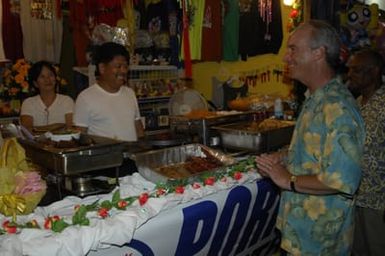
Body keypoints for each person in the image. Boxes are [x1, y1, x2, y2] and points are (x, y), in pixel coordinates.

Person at [255, 20, 365, 255]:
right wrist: (283, 158)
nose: (286, 57)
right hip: (300, 234)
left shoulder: (337, 107)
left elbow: (342, 180)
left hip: (320, 243)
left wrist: (288, 180)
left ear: (319, 53)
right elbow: (317, 154)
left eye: (293, 49)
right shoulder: (316, 99)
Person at [346, 49, 385, 256]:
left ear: (374, 72)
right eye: (349, 69)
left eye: (356, 70)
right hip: (355, 195)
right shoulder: (356, 103)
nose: (350, 75)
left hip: (377, 201)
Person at [74, 42, 144, 141]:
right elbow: (80, 137)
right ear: (102, 68)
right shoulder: (85, 98)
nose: (123, 71)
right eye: (118, 66)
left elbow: (139, 129)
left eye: (125, 66)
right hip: (104, 156)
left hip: (130, 154)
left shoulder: (130, 93)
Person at [20, 60, 74, 132]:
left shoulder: (67, 101)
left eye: (50, 75)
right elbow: (27, 130)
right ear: (35, 83)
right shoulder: (28, 103)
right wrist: (57, 126)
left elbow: (71, 128)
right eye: (42, 76)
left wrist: (38, 129)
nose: (47, 79)